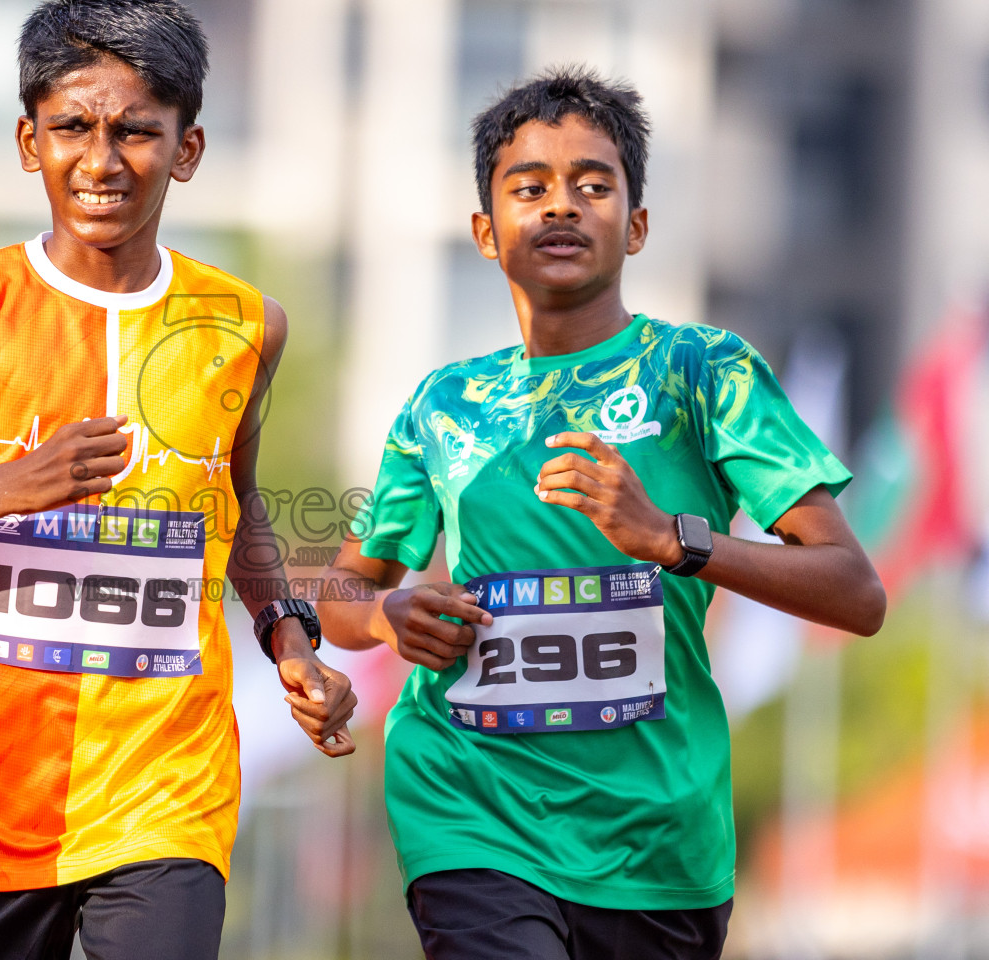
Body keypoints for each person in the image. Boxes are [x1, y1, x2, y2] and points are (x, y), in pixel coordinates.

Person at [0, 0, 356, 960]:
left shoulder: (242, 326)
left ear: (187, 148)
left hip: (165, 783)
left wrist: (286, 631)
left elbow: (234, 500)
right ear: (28, 142)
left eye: (136, 131)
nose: (101, 161)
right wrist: (3, 487)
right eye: (71, 128)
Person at [317, 67, 887, 960]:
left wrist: (672, 540)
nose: (561, 207)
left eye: (593, 185)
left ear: (639, 223)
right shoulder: (442, 402)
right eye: (529, 187)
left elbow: (856, 592)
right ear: (484, 230)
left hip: (658, 840)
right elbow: (346, 589)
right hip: (473, 808)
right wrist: (386, 618)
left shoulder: (706, 371)